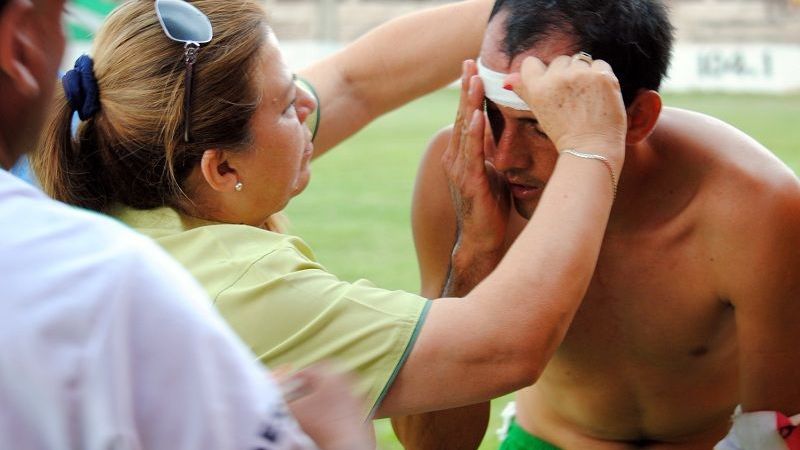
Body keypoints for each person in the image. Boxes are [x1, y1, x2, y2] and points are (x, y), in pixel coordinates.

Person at [32, 0, 631, 424]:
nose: (307, 101)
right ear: (224, 169)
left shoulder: (124, 171)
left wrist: (530, 17)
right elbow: (503, 345)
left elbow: (353, 82)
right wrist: (590, 146)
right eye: (285, 107)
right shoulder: (240, 287)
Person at [405, 0, 800, 448]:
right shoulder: (462, 173)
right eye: (493, 115)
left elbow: (773, 431)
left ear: (637, 119)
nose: (504, 158)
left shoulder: (754, 202)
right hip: (547, 439)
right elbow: (432, 444)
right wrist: (475, 252)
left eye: (540, 123)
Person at [0, 0, 371, 448]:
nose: (309, 104)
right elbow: (475, 349)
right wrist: (341, 435)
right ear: (16, 42)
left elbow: (360, 80)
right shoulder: (113, 281)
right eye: (59, 16)